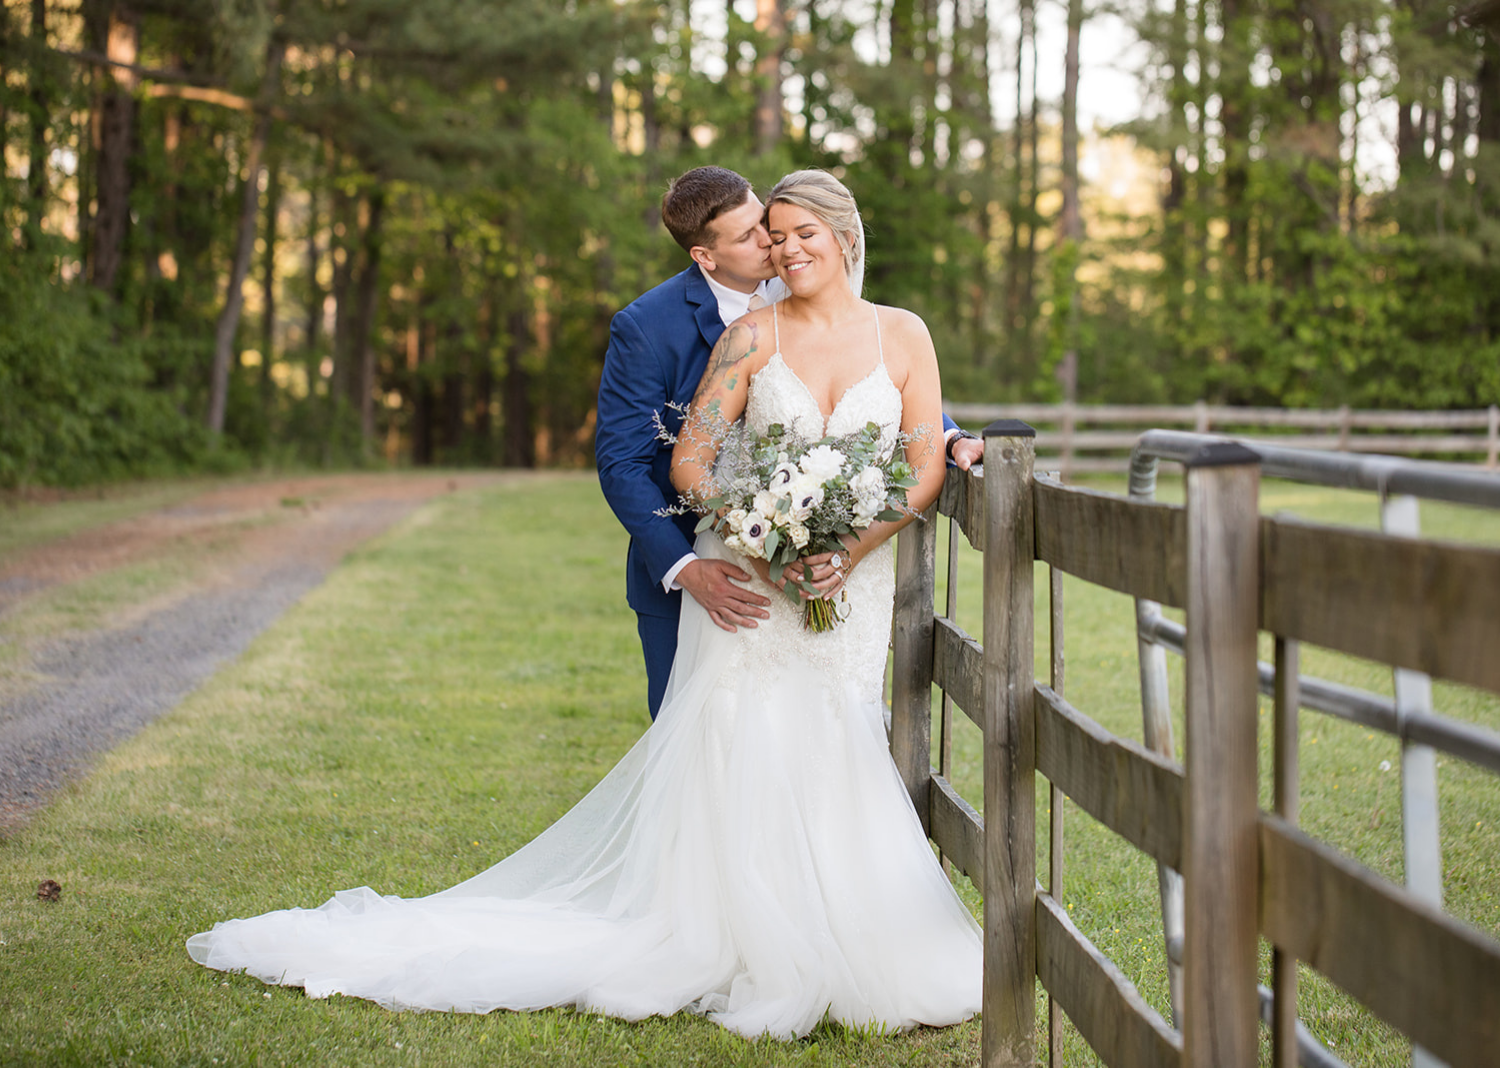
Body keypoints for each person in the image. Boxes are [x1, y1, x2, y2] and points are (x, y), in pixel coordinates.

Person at [185, 169, 983, 1040]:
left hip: (848, 591)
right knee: (744, 745)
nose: (783, 248)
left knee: (837, 740)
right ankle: (741, 939)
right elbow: (683, 462)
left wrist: (848, 547)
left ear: (846, 236)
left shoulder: (903, 332)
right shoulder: (747, 337)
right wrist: (763, 536)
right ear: (712, 249)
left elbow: (919, 458)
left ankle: (848, 937)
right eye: (773, 234)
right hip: (749, 583)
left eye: (799, 233)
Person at [596, 165, 982, 719]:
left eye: (770, 227)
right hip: (700, 560)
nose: (772, 245)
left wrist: (947, 436)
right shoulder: (648, 327)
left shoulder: (805, 275)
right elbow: (623, 464)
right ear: (707, 256)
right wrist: (704, 558)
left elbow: (877, 384)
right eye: (755, 236)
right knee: (698, 740)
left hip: (838, 572)